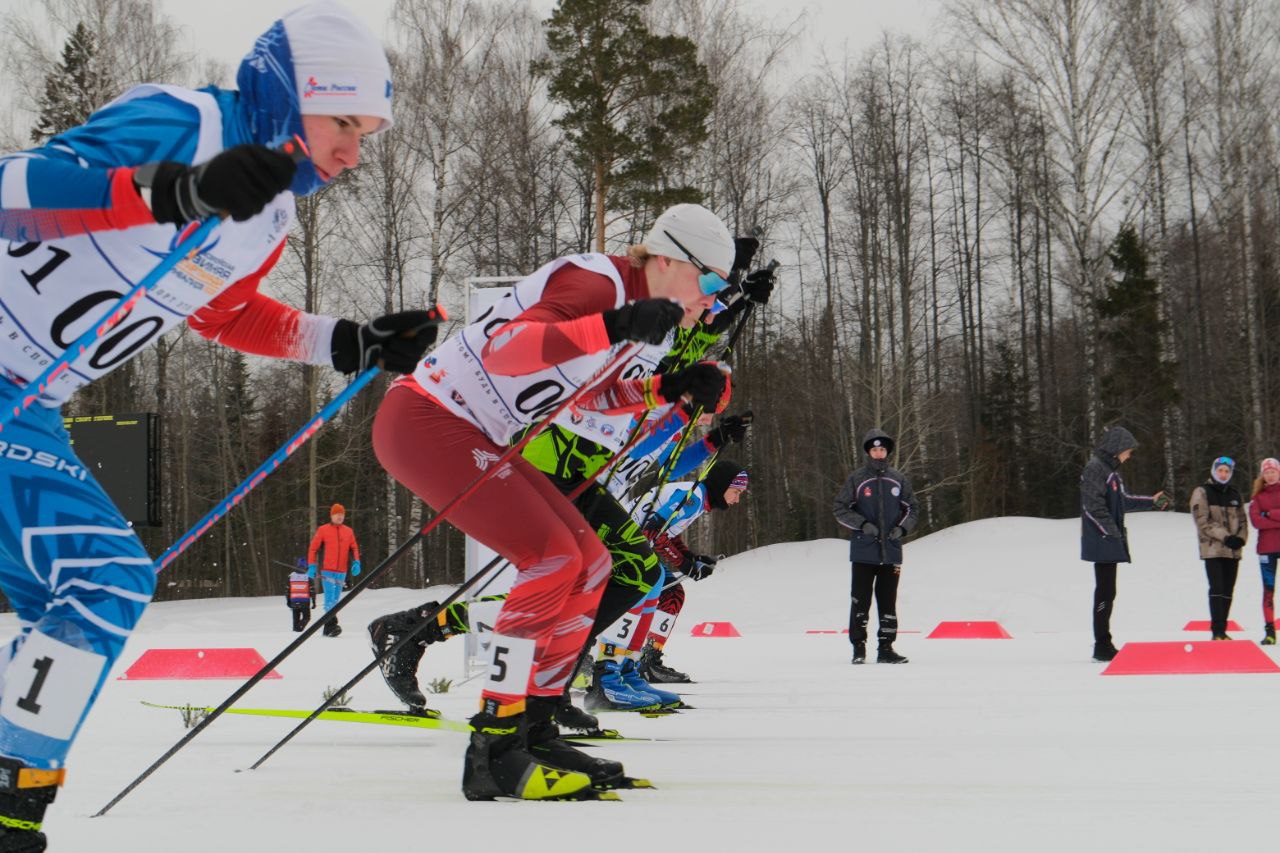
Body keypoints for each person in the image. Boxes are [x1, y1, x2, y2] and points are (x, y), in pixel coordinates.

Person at [0, 3, 439, 847]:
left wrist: (347, 340)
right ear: (286, 95)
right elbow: (14, 187)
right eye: (342, 121)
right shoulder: (184, 121)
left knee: (55, 609)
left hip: (31, 406)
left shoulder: (269, 221)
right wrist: (169, 190)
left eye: (367, 133)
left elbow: (227, 316)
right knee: (105, 575)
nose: (353, 151)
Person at [371, 203, 734, 801]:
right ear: (668, 259)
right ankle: (494, 740)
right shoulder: (600, 282)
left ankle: (535, 725)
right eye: (711, 281)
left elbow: (592, 398)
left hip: (473, 431)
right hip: (427, 418)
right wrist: (615, 325)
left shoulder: (642, 315)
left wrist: (667, 387)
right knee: (552, 558)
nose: (712, 299)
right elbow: (507, 350)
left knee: (592, 561)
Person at [1079, 427, 1169, 662]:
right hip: (1102, 539)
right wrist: (1112, 532)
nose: (1129, 456)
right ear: (1117, 448)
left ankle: (1104, 642)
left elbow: (1124, 502)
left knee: (1109, 591)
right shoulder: (1095, 469)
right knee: (1104, 592)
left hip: (1109, 538)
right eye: (1127, 451)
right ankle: (1101, 644)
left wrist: (1152, 502)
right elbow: (1092, 506)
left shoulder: (1111, 472)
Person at [833, 428, 918, 665]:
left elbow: (912, 508)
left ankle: (886, 648)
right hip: (863, 552)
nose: (878, 453)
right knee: (860, 600)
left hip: (891, 552)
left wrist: (901, 529)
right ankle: (858, 648)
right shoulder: (857, 479)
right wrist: (861, 524)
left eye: (882, 449)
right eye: (874, 449)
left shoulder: (898, 479)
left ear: (887, 451)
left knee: (888, 601)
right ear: (868, 452)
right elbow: (840, 508)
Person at [1191, 457, 1248, 640]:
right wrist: (1225, 536)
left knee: (1228, 590)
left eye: (1227, 471)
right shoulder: (1202, 491)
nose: (1223, 474)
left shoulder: (1234, 494)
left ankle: (1223, 629)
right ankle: (1217, 630)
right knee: (1217, 587)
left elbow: (1243, 520)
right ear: (1214, 471)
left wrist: (1240, 539)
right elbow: (1202, 521)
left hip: (1232, 551)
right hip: (1213, 548)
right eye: (1220, 470)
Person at [307, 503, 361, 636]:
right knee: (329, 598)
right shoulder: (323, 530)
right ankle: (332, 625)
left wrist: (356, 562)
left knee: (336, 600)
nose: (340, 517)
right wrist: (312, 565)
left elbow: (354, 548)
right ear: (332, 515)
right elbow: (313, 548)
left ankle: (328, 628)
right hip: (327, 570)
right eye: (337, 514)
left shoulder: (348, 531)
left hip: (342, 572)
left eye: (342, 515)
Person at [1248, 457, 1280, 645]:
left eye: (1273, 471)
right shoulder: (1257, 497)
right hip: (1266, 550)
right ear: (1263, 475)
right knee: (1268, 591)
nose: (1270, 475)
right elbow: (1256, 521)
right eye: (1266, 472)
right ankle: (1270, 631)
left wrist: (1268, 514)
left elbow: (1262, 518)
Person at [286, 559, 315, 632]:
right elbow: (312, 590)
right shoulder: (308, 577)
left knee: (295, 620)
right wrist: (314, 601)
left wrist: (288, 600)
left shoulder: (291, 577)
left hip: (294, 601)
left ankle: (295, 632)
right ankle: (298, 630)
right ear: (306, 566)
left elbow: (287, 590)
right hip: (304, 601)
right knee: (307, 617)